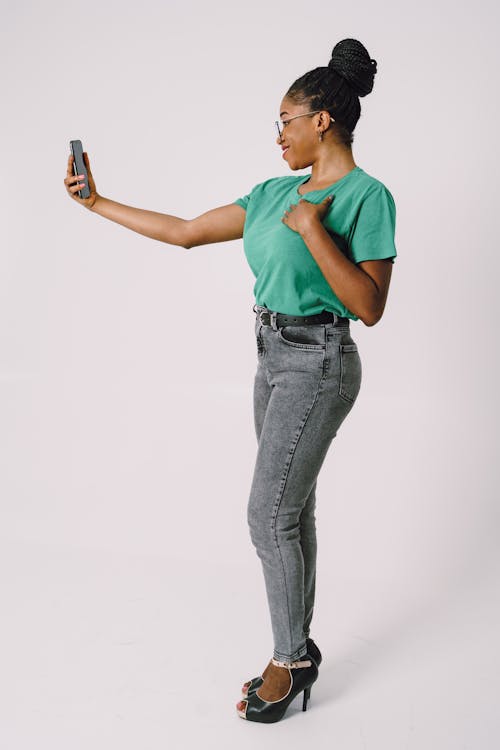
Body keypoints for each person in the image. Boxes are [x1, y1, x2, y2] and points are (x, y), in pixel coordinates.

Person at [64, 37, 397, 725]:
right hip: (272, 355)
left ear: (321, 121)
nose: (278, 136)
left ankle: (289, 658)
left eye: (285, 122)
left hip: (322, 359)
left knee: (265, 514)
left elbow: (368, 307)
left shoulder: (368, 197)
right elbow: (186, 231)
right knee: (289, 511)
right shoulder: (274, 191)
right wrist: (96, 202)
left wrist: (313, 232)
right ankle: (298, 647)